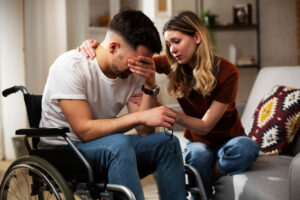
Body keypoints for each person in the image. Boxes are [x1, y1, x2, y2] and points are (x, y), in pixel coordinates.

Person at [79, 10, 260, 199]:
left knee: (247, 148)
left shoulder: (228, 71)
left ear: (197, 38)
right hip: (198, 142)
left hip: (229, 140)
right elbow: (129, 58)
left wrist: (166, 113)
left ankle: (212, 174)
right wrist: (97, 46)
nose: (172, 49)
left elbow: (206, 126)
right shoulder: (171, 63)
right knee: (198, 155)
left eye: (177, 41)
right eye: (168, 44)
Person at [39, 10, 186, 200]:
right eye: (136, 61)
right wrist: (139, 116)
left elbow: (145, 132)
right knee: (118, 143)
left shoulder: (132, 73)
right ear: (114, 47)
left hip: (103, 147)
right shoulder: (70, 67)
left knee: (168, 143)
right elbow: (84, 131)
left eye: (144, 62)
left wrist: (150, 85)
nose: (138, 68)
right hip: (65, 151)